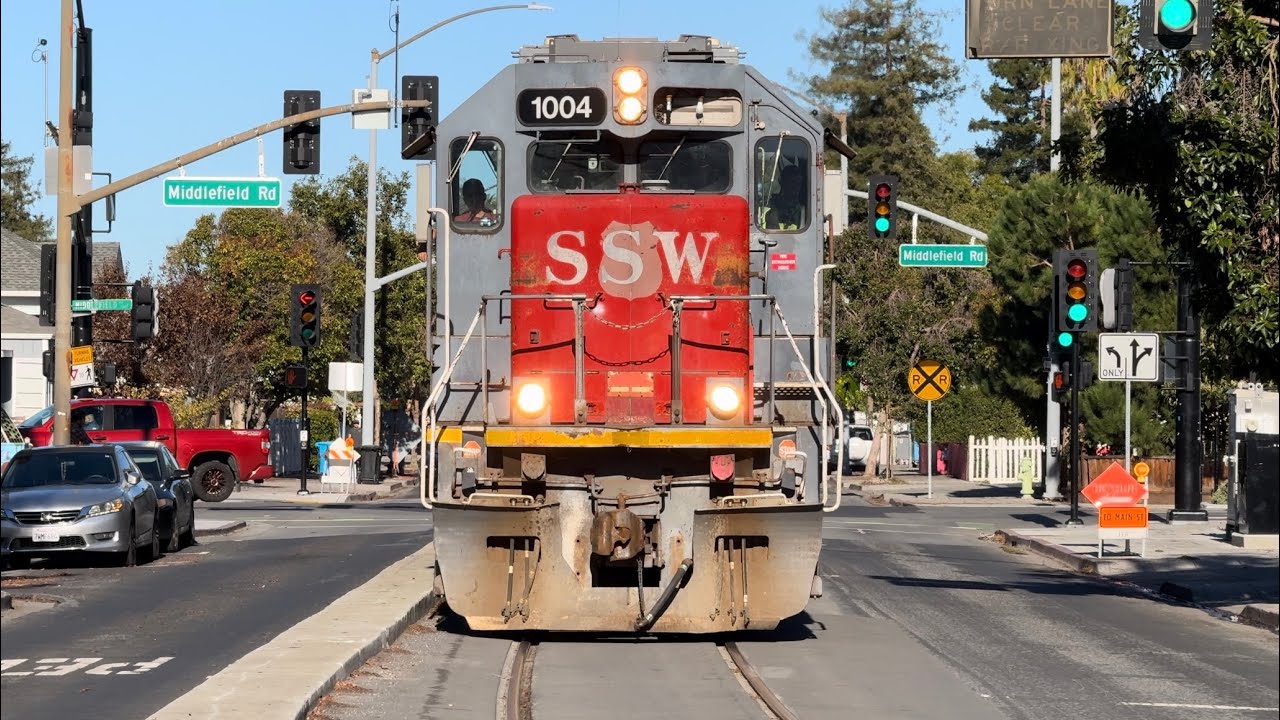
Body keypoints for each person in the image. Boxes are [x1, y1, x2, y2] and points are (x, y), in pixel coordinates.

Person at [763, 165, 806, 230]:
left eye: (799, 183)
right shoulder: (771, 206)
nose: (796, 187)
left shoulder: (803, 208)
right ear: (782, 182)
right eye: (792, 182)